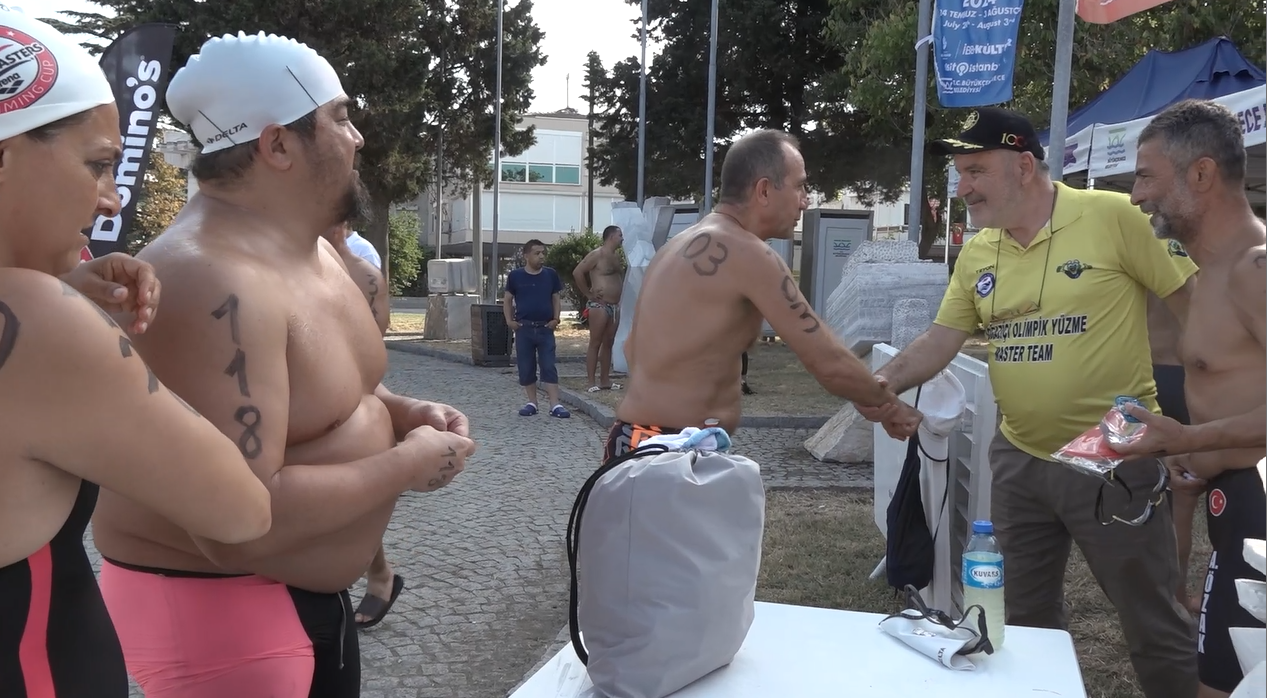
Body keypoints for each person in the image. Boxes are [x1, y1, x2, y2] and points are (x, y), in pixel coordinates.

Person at [88, 32, 476, 698]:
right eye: (340, 118)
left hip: (295, 602)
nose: (357, 138)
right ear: (277, 145)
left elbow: (330, 392)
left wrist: (402, 410)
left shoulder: (309, 250)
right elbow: (235, 522)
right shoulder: (211, 282)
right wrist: (406, 465)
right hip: (218, 610)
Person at [859, 108, 1200, 698]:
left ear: (1023, 167)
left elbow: (1197, 308)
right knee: (1020, 619)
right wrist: (881, 382)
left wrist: (1204, 421)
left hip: (1111, 452)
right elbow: (941, 338)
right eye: (960, 173)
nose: (962, 188)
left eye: (975, 171)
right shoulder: (979, 251)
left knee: (1151, 618)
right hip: (1019, 457)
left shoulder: (1113, 216)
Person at [0, 12, 273, 698]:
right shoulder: (41, 324)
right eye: (97, 164)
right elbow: (240, 510)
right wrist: (93, 334)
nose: (110, 199)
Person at [608, 128, 914, 460]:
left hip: (633, 438)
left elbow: (632, 348)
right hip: (673, 451)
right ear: (764, 190)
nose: (806, 200)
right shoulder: (749, 253)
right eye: (799, 186)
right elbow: (828, 361)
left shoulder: (674, 247)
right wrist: (889, 405)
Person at [1113, 99, 1266, 698]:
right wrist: (1187, 459)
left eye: (1146, 177)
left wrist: (1192, 437)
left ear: (1201, 174)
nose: (1135, 196)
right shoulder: (1207, 276)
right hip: (1233, 504)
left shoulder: (1255, 268)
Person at [321, 221, 404, 629]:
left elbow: (369, 348)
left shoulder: (361, 259)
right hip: (304, 386)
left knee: (349, 497)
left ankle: (376, 574)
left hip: (343, 391)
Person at [1147, 289, 1206, 615]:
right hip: (1191, 371)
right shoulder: (1207, 261)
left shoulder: (1140, 256)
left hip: (1146, 371)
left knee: (1161, 497)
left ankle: (1168, 597)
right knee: (1183, 500)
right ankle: (1179, 596)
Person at [504, 239, 570, 418]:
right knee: (526, 366)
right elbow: (508, 300)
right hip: (524, 328)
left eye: (543, 253)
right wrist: (509, 321)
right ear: (526, 256)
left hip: (545, 328)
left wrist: (556, 319)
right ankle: (532, 402)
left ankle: (555, 404)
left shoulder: (550, 275)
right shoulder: (515, 276)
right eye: (537, 253)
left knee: (548, 365)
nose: (541, 256)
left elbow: (555, 298)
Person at [572, 225, 625, 393]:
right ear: (611, 237)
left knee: (609, 342)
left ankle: (605, 380)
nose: (622, 239)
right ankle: (590, 382)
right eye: (620, 235)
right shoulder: (597, 254)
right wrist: (589, 294)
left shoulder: (616, 256)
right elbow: (577, 272)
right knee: (595, 342)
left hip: (614, 306)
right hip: (600, 305)